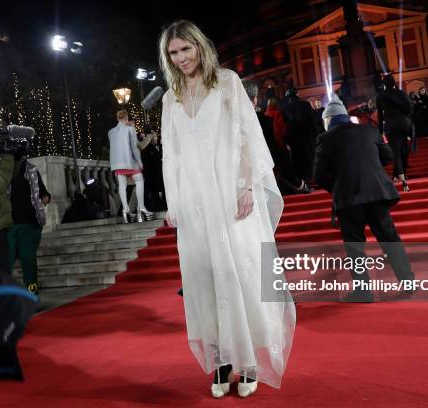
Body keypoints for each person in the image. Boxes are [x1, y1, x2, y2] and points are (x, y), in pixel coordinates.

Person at [159, 20, 295, 399]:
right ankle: (220, 363)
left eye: (186, 49)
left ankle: (249, 362)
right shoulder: (171, 97)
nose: (181, 57)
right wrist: (173, 201)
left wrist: (246, 186)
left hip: (230, 194)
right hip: (194, 201)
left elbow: (249, 137)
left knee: (239, 276)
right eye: (174, 52)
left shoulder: (227, 82)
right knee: (204, 281)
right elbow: (172, 154)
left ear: (200, 47)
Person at [314, 94, 415, 302]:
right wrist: (372, 170)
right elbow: (388, 156)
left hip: (349, 199)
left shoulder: (326, 138)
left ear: (328, 120)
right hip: (377, 193)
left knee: (355, 246)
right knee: (390, 239)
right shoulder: (368, 130)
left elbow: (318, 176)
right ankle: (408, 280)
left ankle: (364, 291)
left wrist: (338, 186)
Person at [242, 80, 308, 194]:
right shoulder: (265, 121)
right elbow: (277, 154)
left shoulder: (225, 123)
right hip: (261, 182)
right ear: (255, 98)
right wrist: (297, 182)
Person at [7, 156, 51, 294]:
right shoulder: (2, 171)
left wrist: (41, 202)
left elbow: (45, 195)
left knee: (28, 263)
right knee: (4, 263)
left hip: (29, 224)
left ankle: (32, 294)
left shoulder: (31, 170)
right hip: (9, 225)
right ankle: (3, 298)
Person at [108, 110, 153, 223]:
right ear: (126, 118)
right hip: (130, 161)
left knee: (122, 185)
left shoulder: (111, 132)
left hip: (117, 164)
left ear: (117, 118)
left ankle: (125, 210)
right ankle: (141, 208)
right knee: (139, 180)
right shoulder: (130, 129)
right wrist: (139, 162)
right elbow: (134, 148)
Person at [376, 74, 413, 191]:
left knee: (396, 153)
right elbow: (410, 107)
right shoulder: (401, 93)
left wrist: (380, 132)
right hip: (403, 123)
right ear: (394, 82)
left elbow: (380, 116)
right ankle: (398, 175)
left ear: (384, 84)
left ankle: (404, 182)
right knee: (404, 149)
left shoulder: (380, 96)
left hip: (391, 124)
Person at [282, 88, 321, 189]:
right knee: (311, 159)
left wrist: (287, 141)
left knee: (298, 162)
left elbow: (285, 128)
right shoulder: (305, 105)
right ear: (296, 95)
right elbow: (313, 122)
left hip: (294, 140)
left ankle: (305, 183)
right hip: (308, 138)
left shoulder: (285, 108)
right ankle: (315, 181)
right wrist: (317, 136)